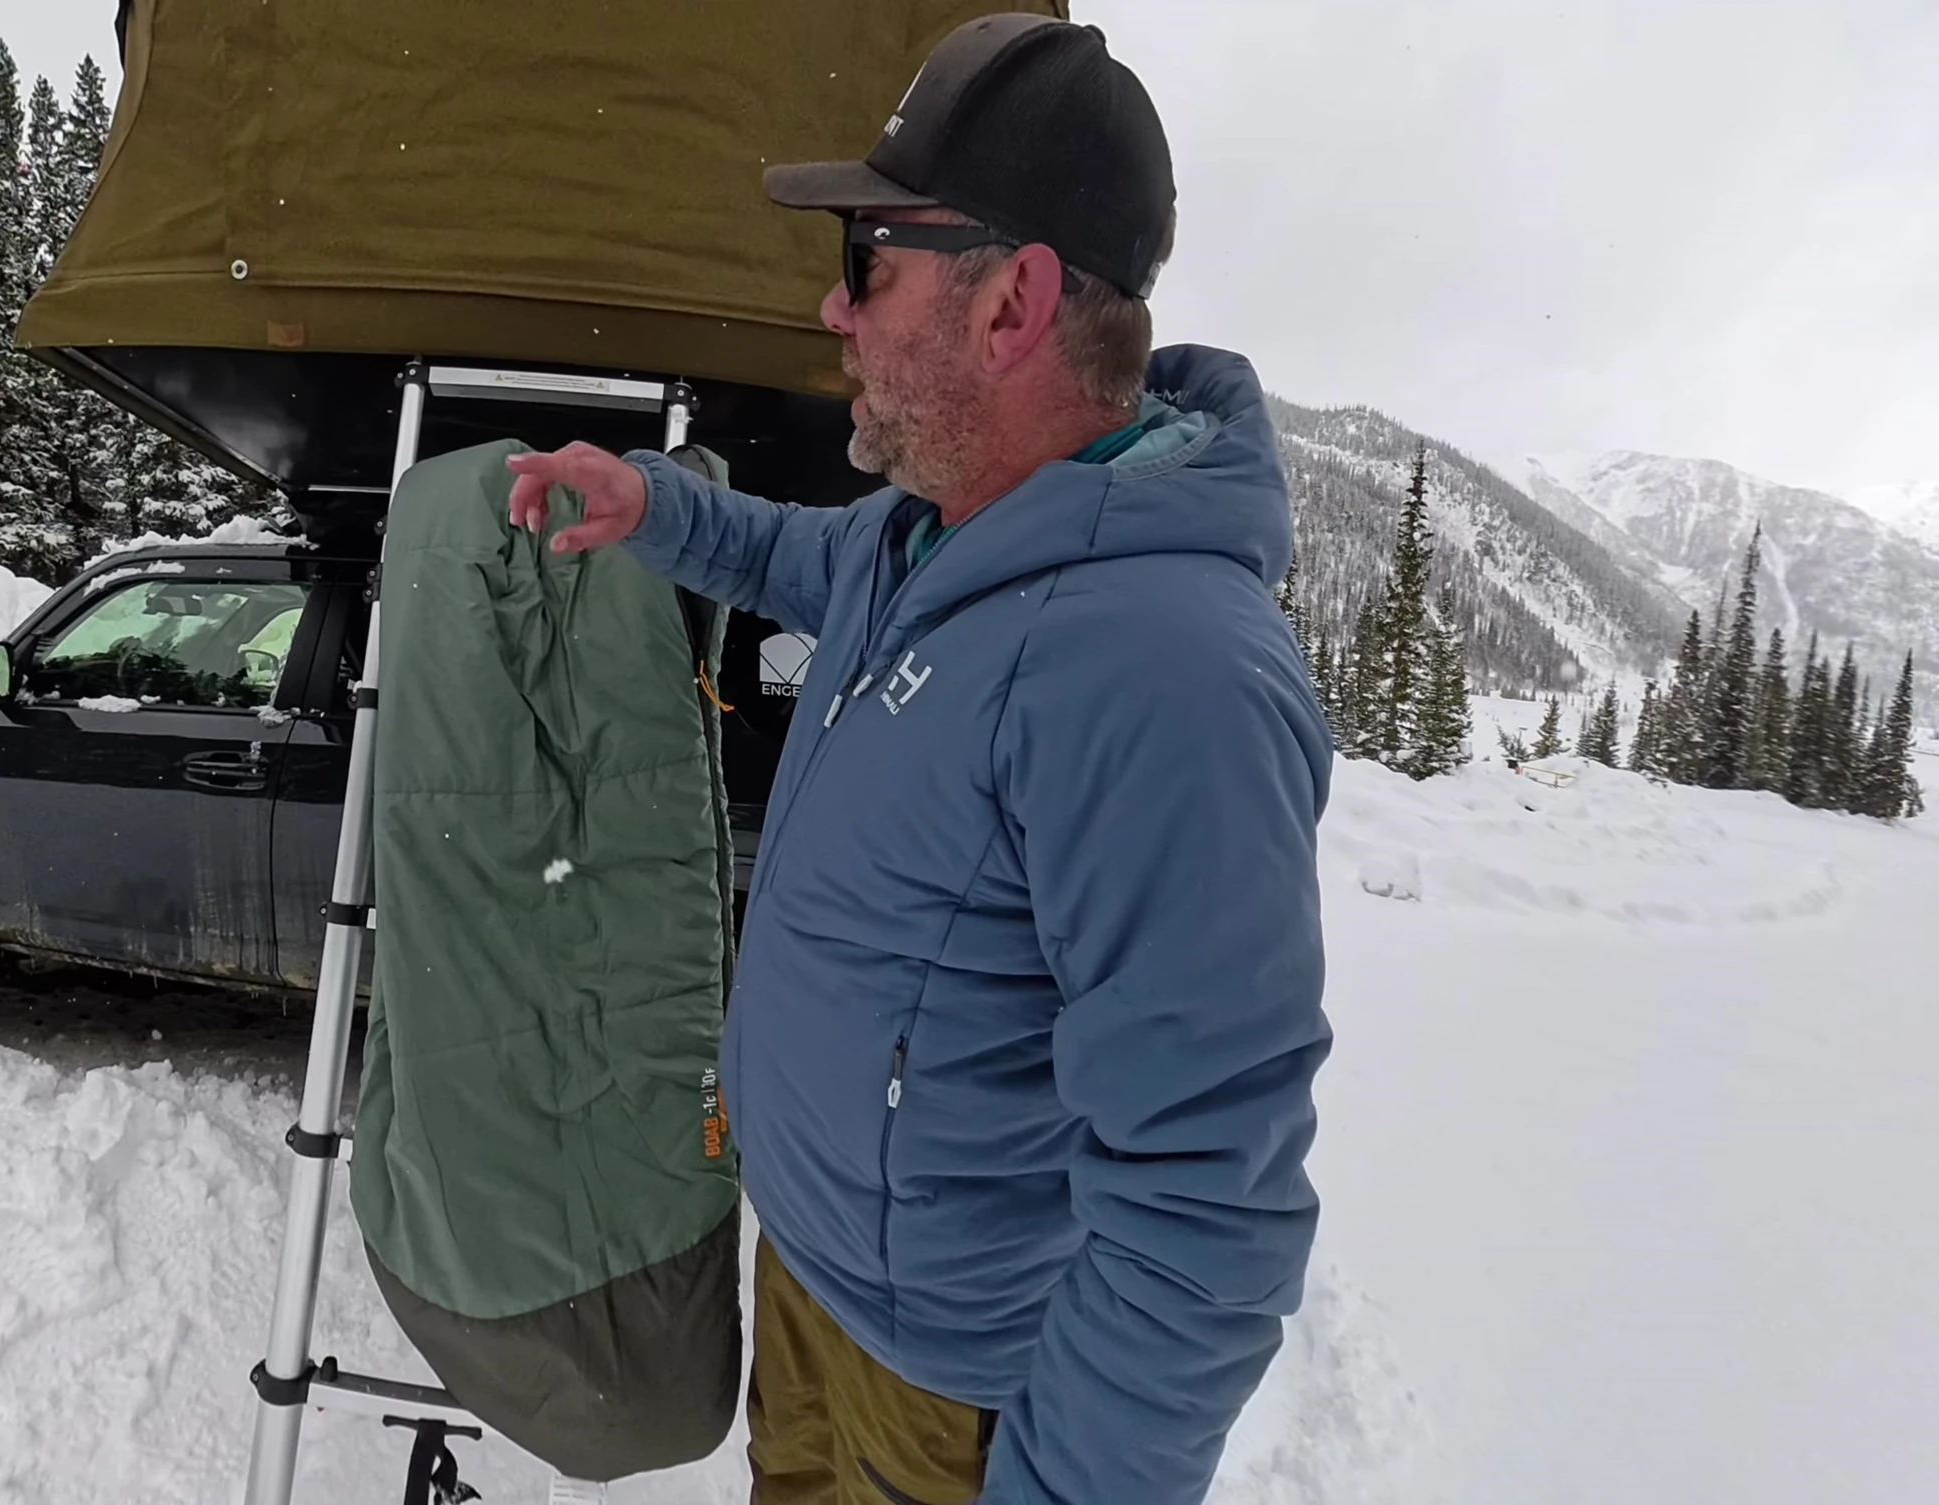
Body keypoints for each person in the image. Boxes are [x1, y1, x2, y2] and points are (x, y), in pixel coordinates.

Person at [504, 16, 1333, 1505]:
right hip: (817, 1293)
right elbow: (800, 552)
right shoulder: (938, 531)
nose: (833, 309)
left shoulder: (1166, 673)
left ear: (1011, 304)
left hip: (947, 1396)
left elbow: (1208, 1214)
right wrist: (651, 506)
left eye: (867, 262)